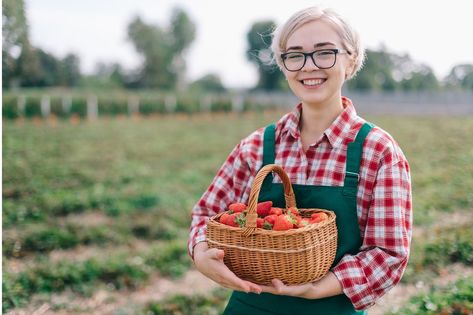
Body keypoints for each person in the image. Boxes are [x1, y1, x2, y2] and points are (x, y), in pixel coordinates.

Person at [188, 5, 412, 315]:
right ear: (283, 65)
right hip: (250, 306)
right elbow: (206, 214)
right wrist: (201, 252)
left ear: (351, 60)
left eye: (324, 53)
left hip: (331, 307)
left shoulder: (378, 152)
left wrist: (319, 286)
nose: (308, 66)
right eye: (294, 55)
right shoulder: (256, 147)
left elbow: (388, 253)